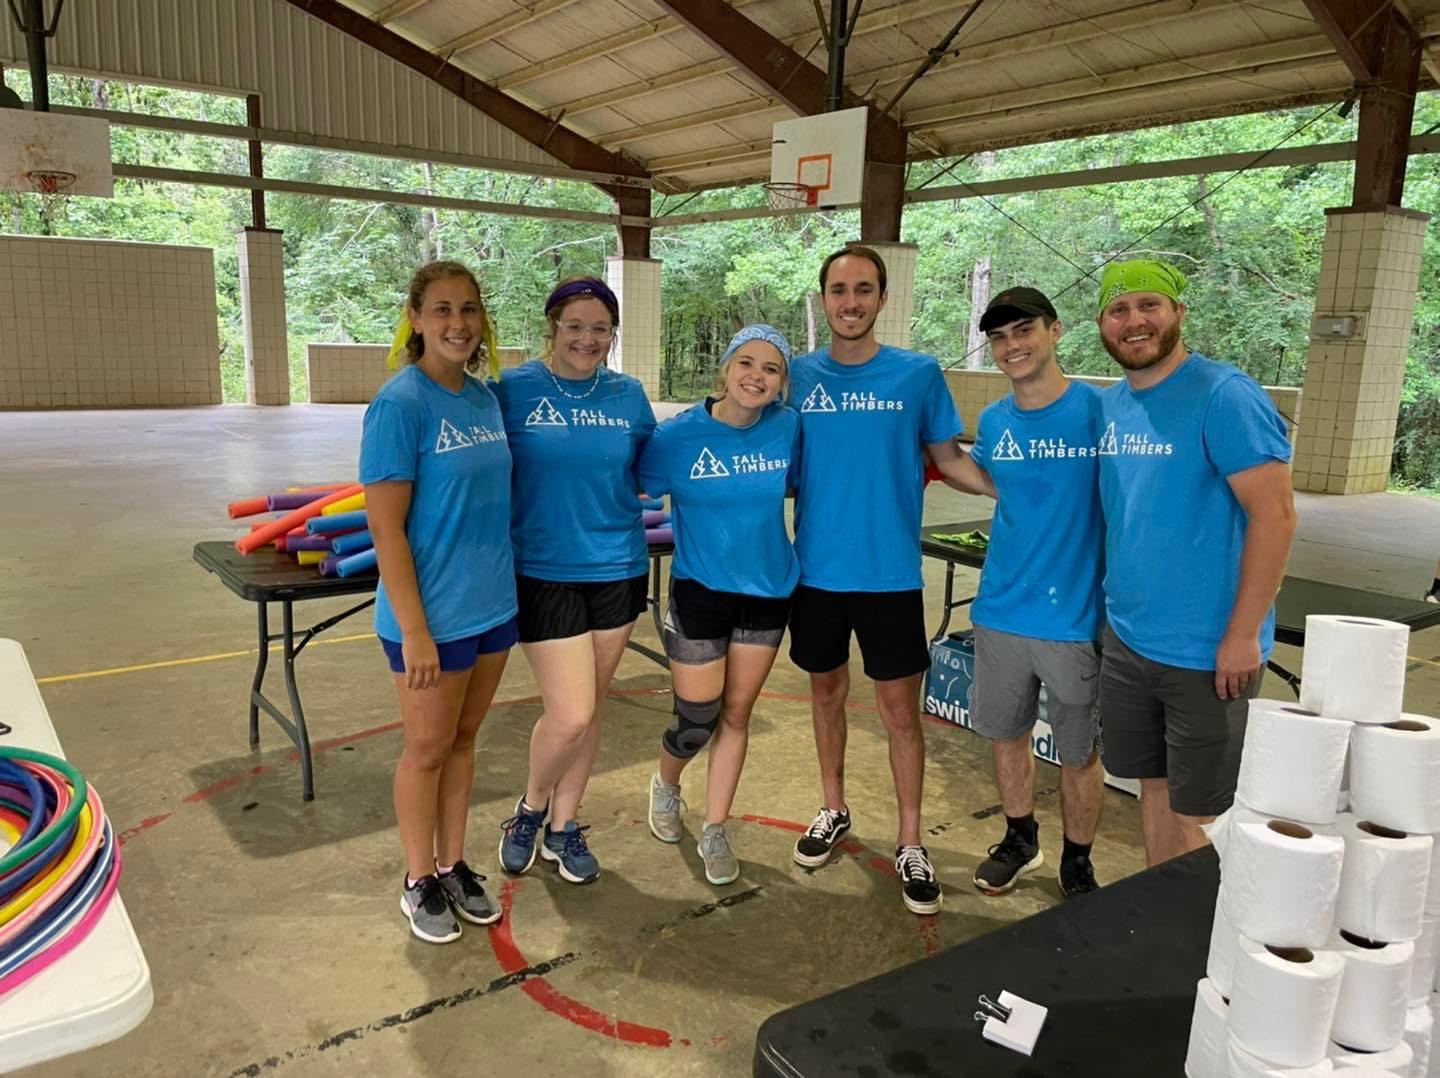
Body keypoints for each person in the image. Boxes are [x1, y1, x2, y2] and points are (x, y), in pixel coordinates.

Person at [787, 244, 978, 915]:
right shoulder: (797, 376)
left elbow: (950, 460)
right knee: (826, 696)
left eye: (863, 289)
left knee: (901, 714)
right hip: (815, 574)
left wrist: (1024, 496)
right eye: (839, 290)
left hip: (892, 577)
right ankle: (832, 807)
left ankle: (909, 839)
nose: (850, 302)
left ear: (882, 299)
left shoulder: (917, 375)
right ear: (823, 299)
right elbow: (768, 459)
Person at [1093, 259, 1296, 867]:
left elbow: (1276, 516)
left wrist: (1241, 636)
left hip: (1207, 652)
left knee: (1201, 816)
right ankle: (1165, 935)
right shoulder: (1111, 407)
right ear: (1102, 324)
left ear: (1179, 312)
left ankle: (1207, 950)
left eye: (1149, 306)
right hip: (1130, 638)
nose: (1135, 321)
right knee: (1152, 789)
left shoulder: (1224, 394)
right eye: (1118, 310)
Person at [361, 260, 516, 944]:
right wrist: (416, 632)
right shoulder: (401, 405)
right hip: (431, 617)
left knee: (462, 741)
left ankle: (453, 864)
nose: (458, 323)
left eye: (470, 310)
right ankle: (417, 878)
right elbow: (385, 529)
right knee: (426, 748)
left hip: (492, 607)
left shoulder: (485, 399)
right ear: (417, 319)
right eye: (443, 310)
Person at [491, 275, 656, 885]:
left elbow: (652, 468)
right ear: (553, 328)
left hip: (618, 565)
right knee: (571, 712)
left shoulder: (629, 395)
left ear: (613, 335)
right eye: (575, 326)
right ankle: (530, 809)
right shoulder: (512, 390)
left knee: (591, 711)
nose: (588, 339)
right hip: (542, 569)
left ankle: (564, 825)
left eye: (600, 329)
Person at [943, 287, 1107, 900]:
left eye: (1024, 331)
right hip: (1003, 609)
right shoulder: (996, 420)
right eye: (1000, 337)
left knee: (1079, 752)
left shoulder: (1100, 411)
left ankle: (1079, 859)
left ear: (1056, 330)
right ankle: (1020, 839)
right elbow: (987, 477)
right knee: (1008, 735)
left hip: (1074, 616)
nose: (1013, 345)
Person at [637, 325, 800, 886]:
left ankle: (715, 826)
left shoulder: (788, 428)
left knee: (736, 715)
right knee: (697, 721)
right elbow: (626, 490)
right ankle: (666, 784)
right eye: (746, 363)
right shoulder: (678, 436)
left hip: (768, 592)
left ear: (782, 385)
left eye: (772, 369)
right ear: (725, 370)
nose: (757, 376)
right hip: (701, 591)